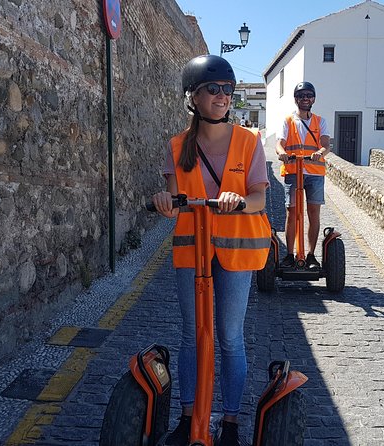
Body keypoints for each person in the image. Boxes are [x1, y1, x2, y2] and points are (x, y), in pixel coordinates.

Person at [151, 54, 271, 446]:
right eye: (213, 90)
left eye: (227, 90)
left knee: (230, 336)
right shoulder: (178, 146)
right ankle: (189, 419)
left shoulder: (249, 142)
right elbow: (174, 199)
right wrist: (163, 201)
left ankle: (231, 422)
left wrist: (238, 198)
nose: (222, 96)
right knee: (192, 334)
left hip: (236, 253)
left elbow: (259, 200)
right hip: (193, 251)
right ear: (194, 96)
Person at [275, 81, 331, 269]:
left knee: (313, 213)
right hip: (293, 171)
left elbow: (326, 144)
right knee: (292, 213)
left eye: (308, 95)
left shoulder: (319, 121)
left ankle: (311, 256)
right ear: (296, 99)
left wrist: (320, 152)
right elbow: (279, 143)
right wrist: (281, 152)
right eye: (301, 96)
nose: (305, 99)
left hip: (314, 173)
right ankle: (290, 254)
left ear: (313, 99)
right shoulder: (288, 121)